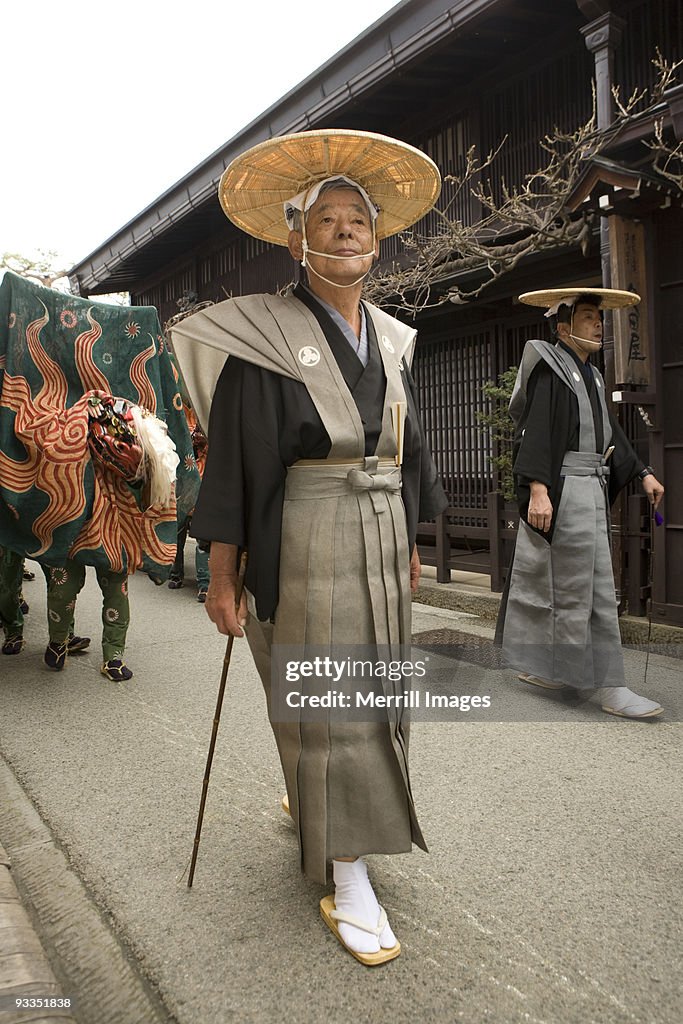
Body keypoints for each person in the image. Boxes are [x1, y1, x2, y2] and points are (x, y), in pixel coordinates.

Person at [170, 129, 447, 965]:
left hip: (379, 524)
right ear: (296, 239)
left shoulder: (393, 340)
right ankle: (346, 866)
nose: (344, 231)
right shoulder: (264, 337)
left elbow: (406, 445)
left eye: (356, 218)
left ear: (378, 237)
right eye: (324, 220)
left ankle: (329, 807)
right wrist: (223, 573)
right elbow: (239, 460)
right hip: (305, 531)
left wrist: (408, 538)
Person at [496, 288, 665, 718]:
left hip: (589, 485)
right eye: (590, 317)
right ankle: (610, 685)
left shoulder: (590, 375)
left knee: (573, 586)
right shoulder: (549, 367)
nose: (599, 325)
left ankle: (555, 668)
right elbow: (536, 430)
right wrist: (537, 488)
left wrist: (642, 471)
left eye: (600, 318)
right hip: (565, 488)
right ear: (564, 327)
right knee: (576, 588)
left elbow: (611, 434)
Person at [168, 403, 210, 602]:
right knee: (178, 528)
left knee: (203, 534)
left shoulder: (208, 410)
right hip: (186, 481)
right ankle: (175, 573)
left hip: (207, 484)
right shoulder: (180, 411)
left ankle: (204, 584)